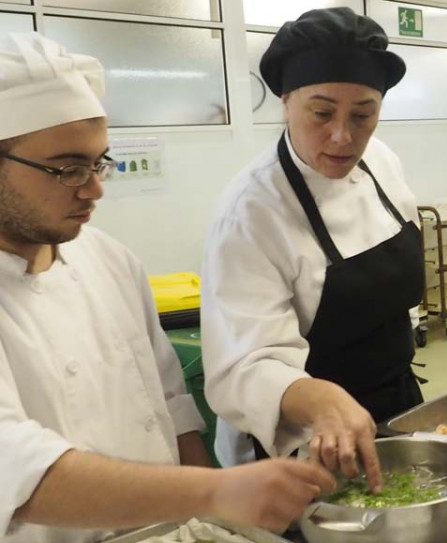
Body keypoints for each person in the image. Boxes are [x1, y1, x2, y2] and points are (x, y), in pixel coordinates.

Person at [0, 33, 335, 543]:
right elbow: (18, 469)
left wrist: (211, 519)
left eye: (99, 163)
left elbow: (171, 405)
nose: (94, 189)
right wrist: (212, 494)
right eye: (68, 168)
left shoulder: (109, 259)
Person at [201, 7, 422, 488]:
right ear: (285, 102)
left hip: (396, 402)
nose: (343, 137)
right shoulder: (252, 211)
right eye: (321, 113)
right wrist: (321, 400)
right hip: (302, 440)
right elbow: (242, 367)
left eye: (363, 115)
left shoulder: (380, 161)